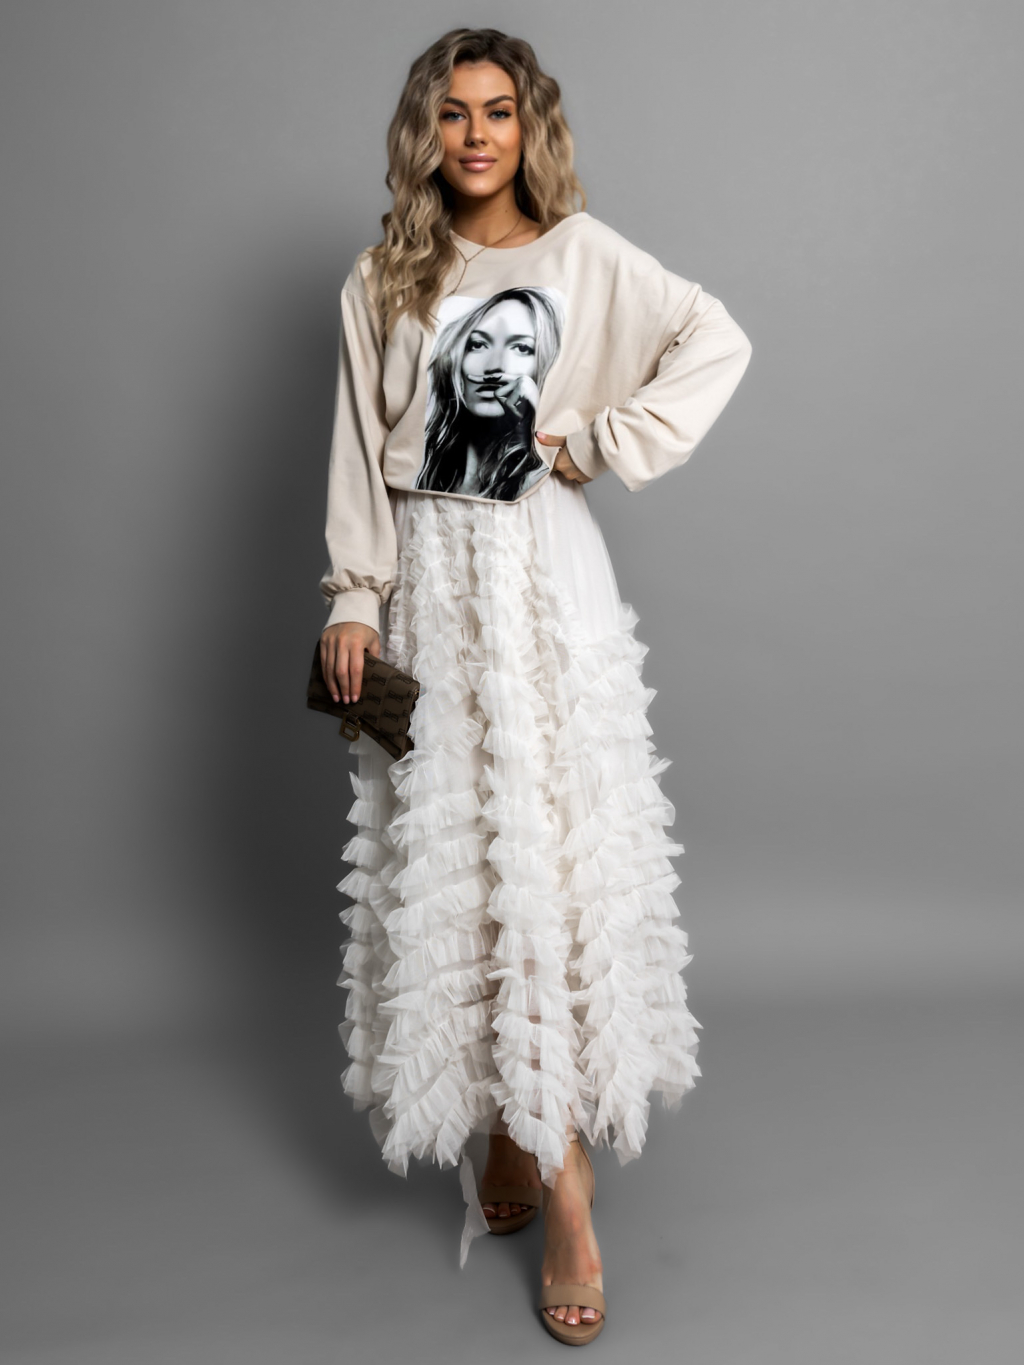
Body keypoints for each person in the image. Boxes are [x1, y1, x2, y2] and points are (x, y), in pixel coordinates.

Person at [318, 27, 752, 1346]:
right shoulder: (382, 275)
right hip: (432, 585)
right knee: (461, 860)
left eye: (498, 111)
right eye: (453, 113)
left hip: (545, 582)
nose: (476, 135)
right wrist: (352, 596)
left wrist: (601, 440)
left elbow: (715, 339)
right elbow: (360, 450)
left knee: (550, 861)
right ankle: (512, 1121)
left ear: (529, 125)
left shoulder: (580, 254)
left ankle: (567, 1190)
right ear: (427, 130)